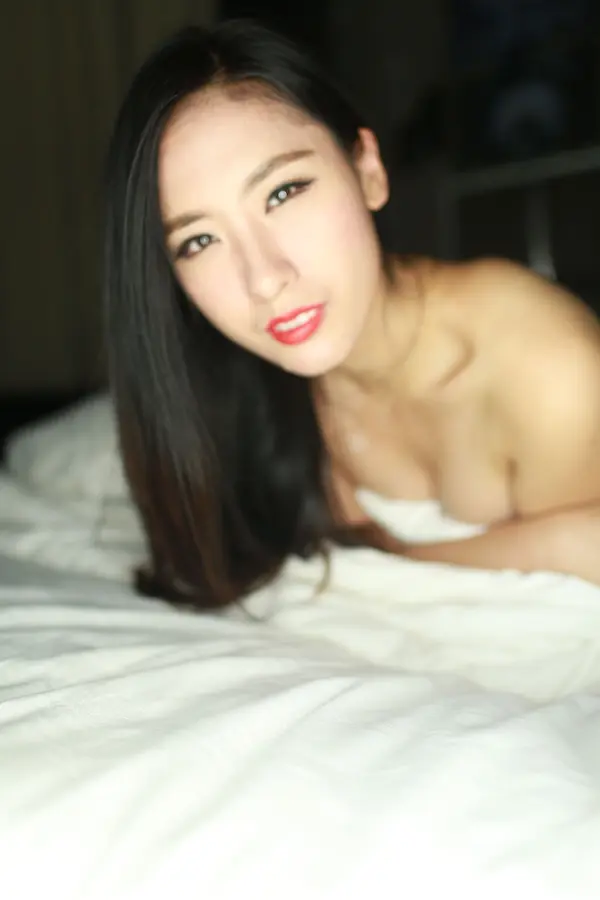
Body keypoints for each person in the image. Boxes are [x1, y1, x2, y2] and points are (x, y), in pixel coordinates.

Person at [104, 19, 600, 611]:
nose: (264, 278)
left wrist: (397, 553)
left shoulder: (550, 371)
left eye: (283, 192)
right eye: (198, 241)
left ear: (368, 170)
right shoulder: (220, 390)